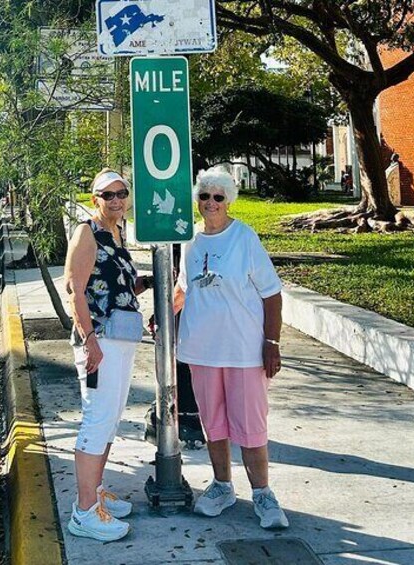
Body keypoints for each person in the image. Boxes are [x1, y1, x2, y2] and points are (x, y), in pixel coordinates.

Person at [173, 167, 289, 530]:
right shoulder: (190, 242)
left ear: (229, 200)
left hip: (243, 351)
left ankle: (263, 494)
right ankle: (222, 487)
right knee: (214, 425)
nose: (210, 203)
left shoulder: (244, 238)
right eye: (204, 196)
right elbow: (183, 289)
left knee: (251, 427)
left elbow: (271, 294)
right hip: (201, 351)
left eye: (218, 197)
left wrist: (271, 343)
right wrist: (164, 311)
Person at [63, 168, 152, 542]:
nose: (115, 200)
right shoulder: (87, 232)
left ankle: (96, 492)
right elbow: (75, 289)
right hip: (100, 339)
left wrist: (147, 283)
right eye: (107, 195)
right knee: (97, 419)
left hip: (122, 337)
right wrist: (89, 340)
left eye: (121, 193)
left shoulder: (117, 233)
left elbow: (116, 284)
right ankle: (84, 512)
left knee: (111, 418)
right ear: (94, 198)